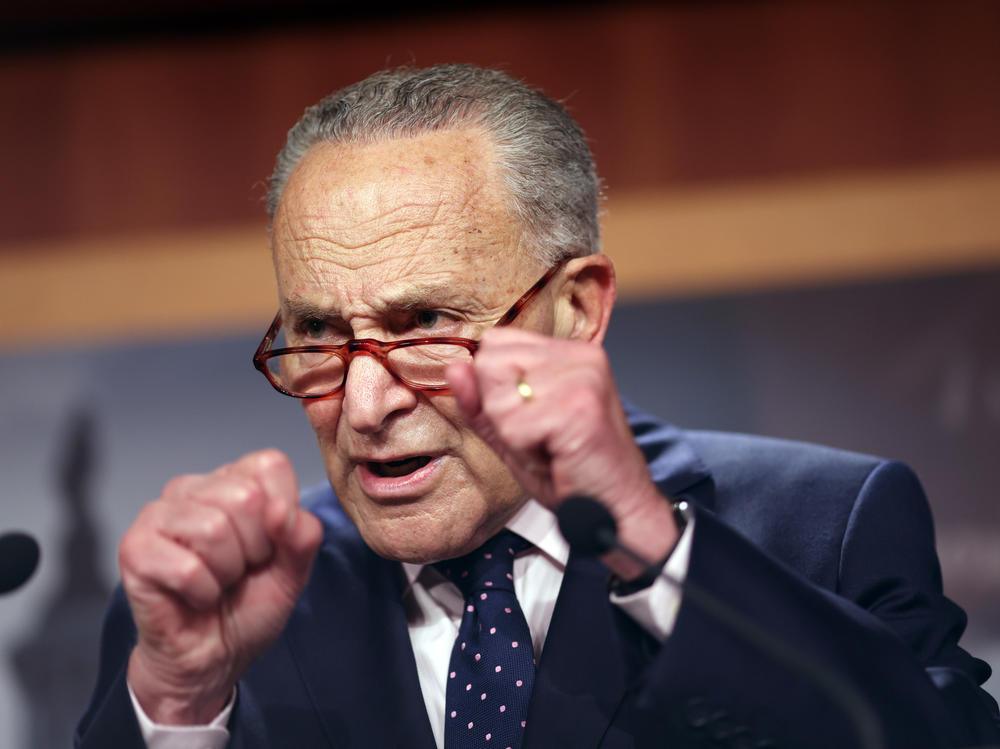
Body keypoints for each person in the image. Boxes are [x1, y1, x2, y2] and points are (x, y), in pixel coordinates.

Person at [76, 64, 999, 749]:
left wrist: (652, 547)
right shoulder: (213, 615)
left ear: (577, 309)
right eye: (318, 331)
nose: (362, 403)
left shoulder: (822, 528)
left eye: (424, 321)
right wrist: (182, 705)